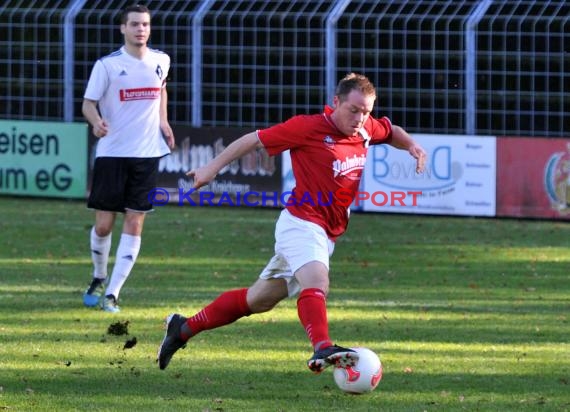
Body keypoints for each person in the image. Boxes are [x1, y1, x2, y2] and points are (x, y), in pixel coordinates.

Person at [157, 73, 426, 372]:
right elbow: (253, 140)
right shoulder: (307, 128)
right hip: (300, 223)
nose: (361, 118)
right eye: (354, 110)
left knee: (257, 301)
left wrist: (412, 146)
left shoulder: (364, 129)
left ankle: (182, 329)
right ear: (335, 102)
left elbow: (391, 131)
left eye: (367, 111)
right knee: (317, 281)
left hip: (327, 233)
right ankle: (322, 347)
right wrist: (211, 168)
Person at [81, 4, 175, 313]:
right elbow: (88, 103)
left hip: (146, 155)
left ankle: (113, 293)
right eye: (134, 24)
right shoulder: (107, 65)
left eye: (145, 24)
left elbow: (161, 90)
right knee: (105, 226)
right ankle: (98, 275)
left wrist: (163, 122)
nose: (141, 29)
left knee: (135, 222)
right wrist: (96, 122)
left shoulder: (162, 60)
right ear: (123, 28)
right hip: (112, 154)